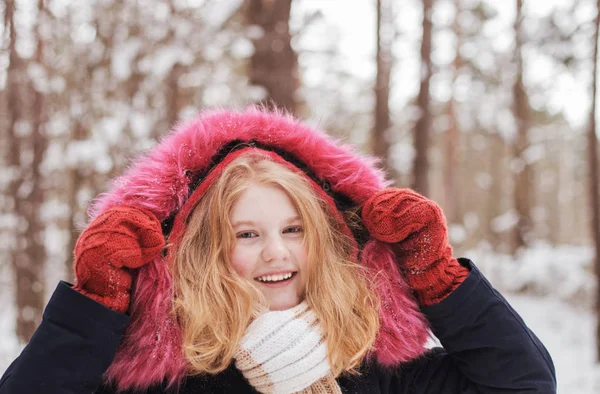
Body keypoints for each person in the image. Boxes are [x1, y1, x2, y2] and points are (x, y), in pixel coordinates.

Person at [0, 108, 556, 394]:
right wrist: (96, 305)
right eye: (246, 234)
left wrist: (437, 278)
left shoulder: (376, 371)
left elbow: (523, 384)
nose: (276, 253)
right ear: (204, 252)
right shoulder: (164, 382)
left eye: (294, 230)